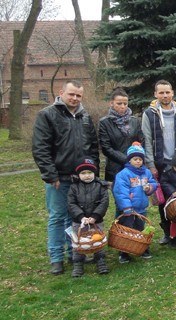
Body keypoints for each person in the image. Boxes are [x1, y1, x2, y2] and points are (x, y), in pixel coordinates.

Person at [32, 80, 99, 275]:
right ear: (62, 92)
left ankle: (75, 253)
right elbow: (40, 148)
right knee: (57, 217)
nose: (75, 98)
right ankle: (56, 257)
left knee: (76, 218)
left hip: (81, 178)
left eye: (78, 95)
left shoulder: (85, 117)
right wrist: (50, 175)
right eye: (71, 94)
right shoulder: (47, 115)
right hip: (58, 178)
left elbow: (93, 148)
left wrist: (93, 173)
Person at [141, 80, 176, 245]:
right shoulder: (149, 114)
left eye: (167, 92)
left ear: (172, 93)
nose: (165, 95)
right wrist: (150, 163)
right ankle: (167, 232)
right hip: (161, 162)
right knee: (164, 200)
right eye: (161, 92)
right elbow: (147, 139)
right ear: (155, 94)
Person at [113, 142, 158, 263]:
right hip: (129, 209)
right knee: (127, 231)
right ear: (129, 160)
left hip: (141, 208)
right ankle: (124, 252)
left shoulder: (146, 172)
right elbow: (121, 192)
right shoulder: (123, 174)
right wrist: (126, 207)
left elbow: (153, 183)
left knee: (140, 230)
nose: (138, 161)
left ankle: (142, 248)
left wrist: (150, 187)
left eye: (140, 159)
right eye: (135, 159)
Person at [67, 158, 109, 277]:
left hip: (96, 220)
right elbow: (71, 203)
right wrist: (81, 217)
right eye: (83, 173)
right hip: (79, 222)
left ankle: (100, 261)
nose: (87, 176)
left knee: (97, 240)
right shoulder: (74, 187)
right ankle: (78, 264)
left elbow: (104, 202)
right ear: (78, 175)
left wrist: (95, 216)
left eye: (89, 173)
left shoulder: (100, 186)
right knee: (78, 242)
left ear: (94, 173)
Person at [98, 88, 143, 185]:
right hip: (115, 168)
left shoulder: (134, 121)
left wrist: (136, 159)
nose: (122, 106)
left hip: (135, 167)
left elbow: (141, 141)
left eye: (125, 104)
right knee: (120, 198)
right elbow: (106, 148)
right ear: (111, 103)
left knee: (136, 196)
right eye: (119, 103)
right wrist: (127, 159)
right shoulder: (105, 123)